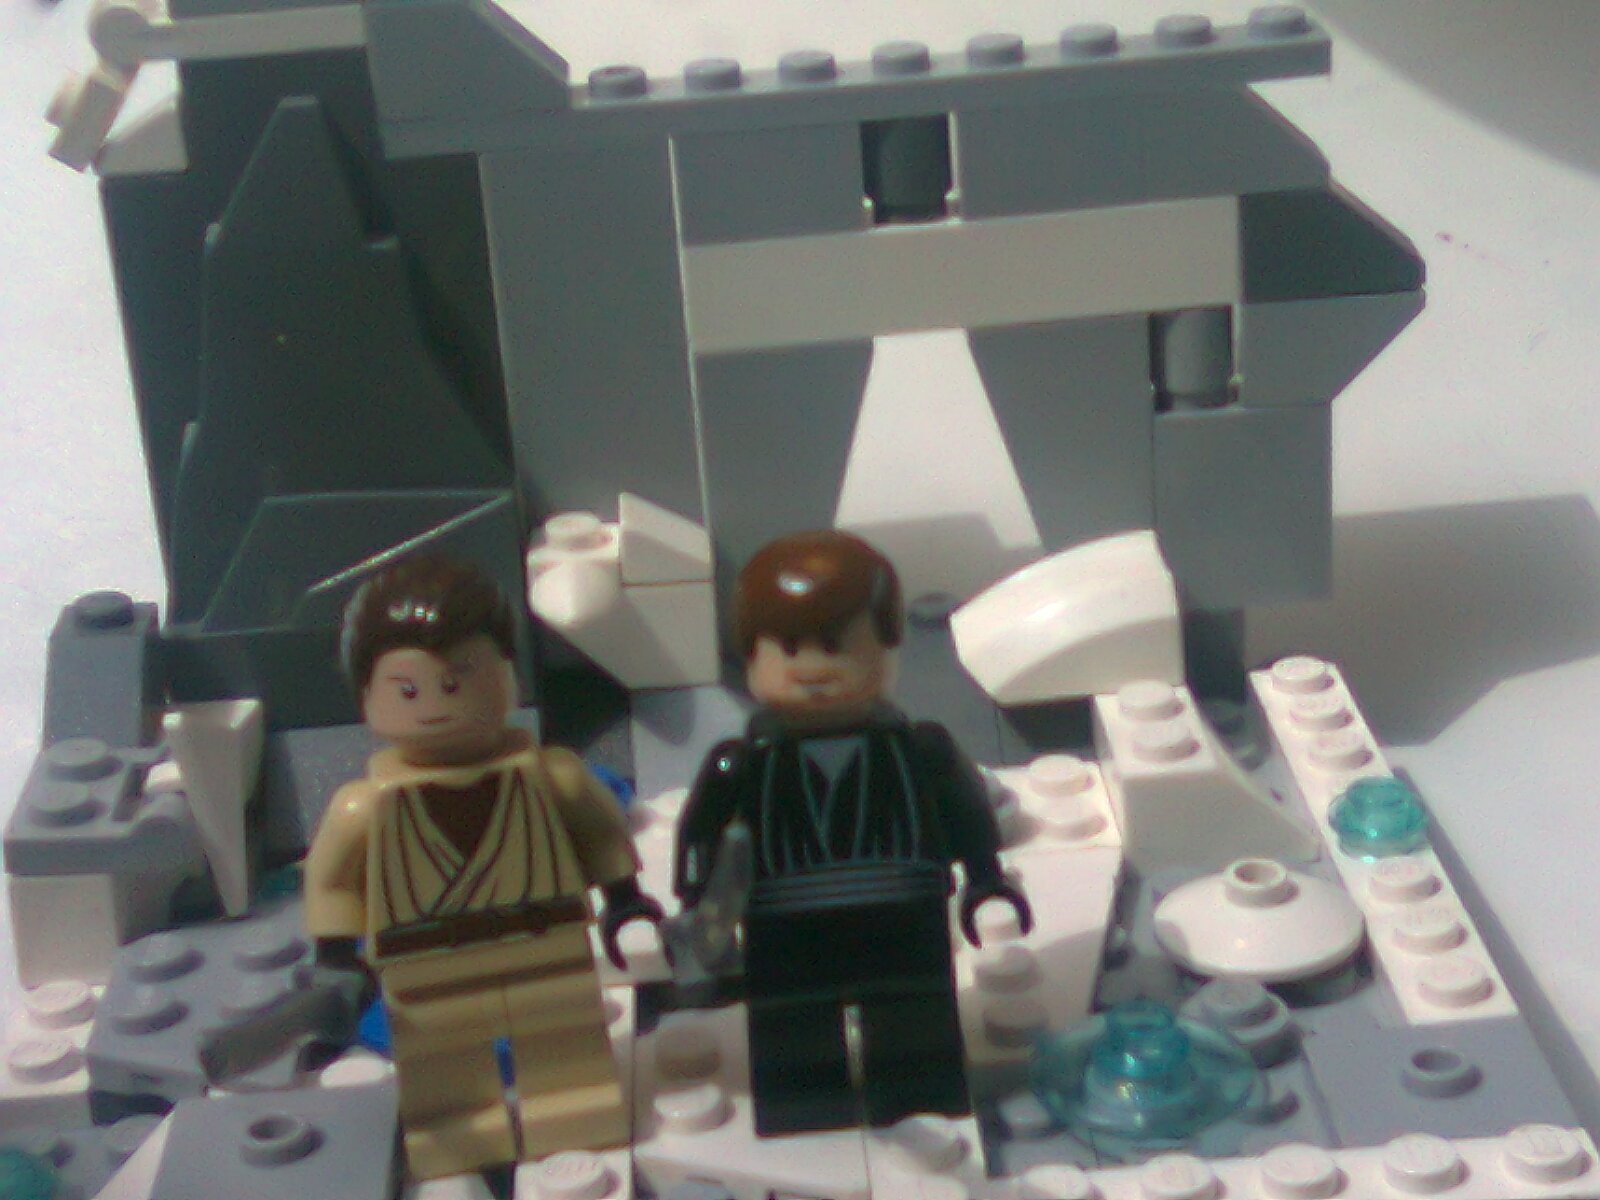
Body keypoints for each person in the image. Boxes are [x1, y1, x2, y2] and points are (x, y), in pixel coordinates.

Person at [305, 555, 662, 1179]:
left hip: (544, 942)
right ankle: (455, 1130)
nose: (436, 705)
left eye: (457, 681)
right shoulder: (363, 808)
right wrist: (336, 955)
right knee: (443, 1069)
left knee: (564, 1046)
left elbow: (602, 836)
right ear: (366, 695)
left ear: (507, 675)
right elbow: (334, 882)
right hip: (423, 962)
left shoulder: (552, 776)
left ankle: (572, 1109)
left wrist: (625, 900)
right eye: (408, 690)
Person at [675, 530, 1031, 1135]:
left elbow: (968, 814)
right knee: (792, 1028)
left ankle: (919, 1093)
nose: (813, 668)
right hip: (784, 917)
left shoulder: (920, 749)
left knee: (913, 1013)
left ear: (889, 649)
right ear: (751, 656)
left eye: (835, 646)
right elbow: (699, 835)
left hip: (902, 909)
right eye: (790, 648)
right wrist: (697, 904)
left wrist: (985, 879)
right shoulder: (742, 763)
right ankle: (804, 1104)